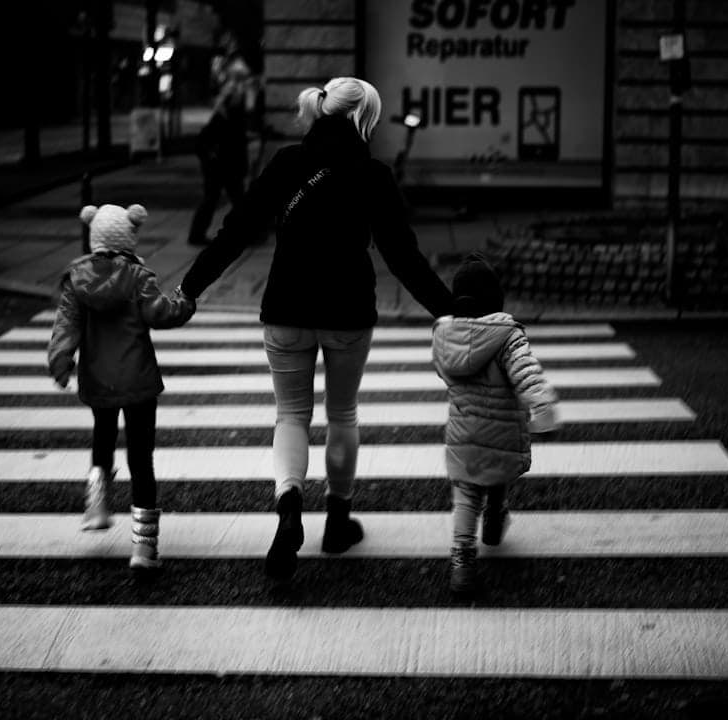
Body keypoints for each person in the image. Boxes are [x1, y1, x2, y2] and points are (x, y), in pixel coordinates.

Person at [173, 76, 454, 583]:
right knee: (342, 412)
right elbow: (402, 255)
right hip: (347, 309)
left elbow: (236, 232)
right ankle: (338, 523)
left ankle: (288, 508)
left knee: (291, 415)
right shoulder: (374, 174)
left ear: (322, 111)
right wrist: (448, 309)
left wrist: (191, 288)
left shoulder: (285, 163)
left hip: (286, 306)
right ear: (362, 117)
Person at [48, 203, 196, 570]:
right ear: (130, 236)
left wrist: (61, 360)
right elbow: (159, 313)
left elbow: (66, 326)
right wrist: (186, 304)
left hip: (98, 379)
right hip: (139, 380)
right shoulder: (137, 275)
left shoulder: (77, 280)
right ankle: (144, 548)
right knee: (141, 459)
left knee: (103, 437)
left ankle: (97, 502)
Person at [431, 253, 561, 596]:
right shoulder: (506, 337)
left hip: (463, 433)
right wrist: (543, 408)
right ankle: (494, 517)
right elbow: (526, 372)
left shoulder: (445, 338)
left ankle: (462, 558)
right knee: (498, 472)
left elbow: (446, 374)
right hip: (501, 429)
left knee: (465, 496)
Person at [187, 58, 252, 246]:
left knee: (221, 198)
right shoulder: (234, 100)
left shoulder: (229, 101)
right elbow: (224, 136)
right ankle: (246, 233)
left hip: (222, 162)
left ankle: (197, 234)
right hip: (224, 162)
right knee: (233, 199)